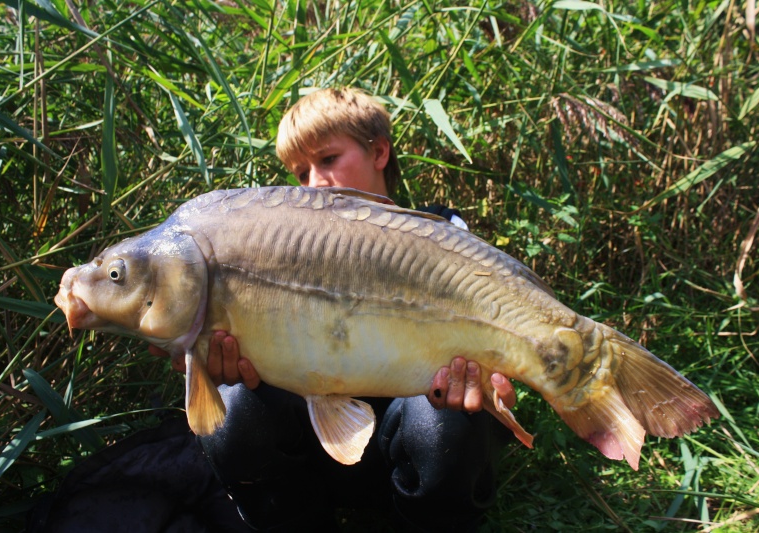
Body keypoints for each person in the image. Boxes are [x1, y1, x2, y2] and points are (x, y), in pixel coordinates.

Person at [179, 88, 518, 531]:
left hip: (412, 445)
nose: (315, 182)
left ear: (379, 151)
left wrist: (491, 388)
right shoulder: (281, 250)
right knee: (235, 404)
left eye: (328, 159)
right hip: (316, 451)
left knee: (450, 423)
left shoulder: (446, 237)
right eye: (301, 173)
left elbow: (500, 376)